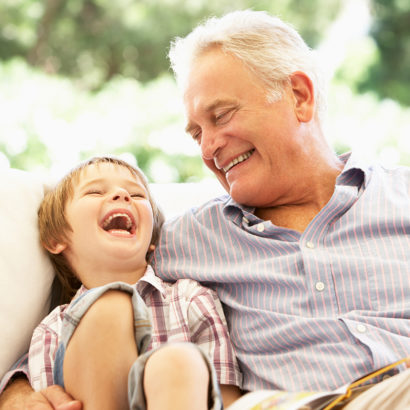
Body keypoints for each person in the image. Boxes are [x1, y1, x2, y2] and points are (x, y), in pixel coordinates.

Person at [1, 9, 409, 409]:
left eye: (221, 115)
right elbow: (93, 296)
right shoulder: (187, 240)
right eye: (197, 133)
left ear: (299, 96)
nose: (209, 148)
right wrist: (18, 394)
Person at [1, 156, 241, 409]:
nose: (121, 195)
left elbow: (225, 399)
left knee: (176, 362)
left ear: (153, 238)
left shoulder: (191, 298)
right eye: (94, 191)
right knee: (110, 305)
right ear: (56, 238)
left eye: (137, 195)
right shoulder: (52, 330)